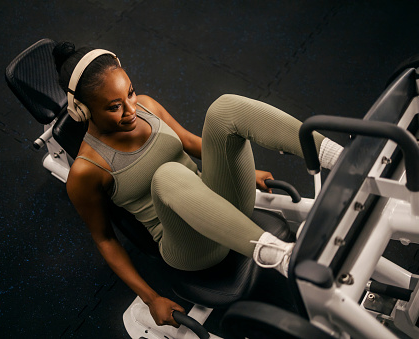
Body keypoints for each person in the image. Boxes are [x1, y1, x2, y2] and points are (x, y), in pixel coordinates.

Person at [53, 41, 342, 329]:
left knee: (225, 107)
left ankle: (341, 158)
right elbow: (105, 240)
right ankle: (280, 256)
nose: (131, 110)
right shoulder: (86, 171)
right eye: (115, 107)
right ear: (83, 111)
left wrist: (242, 169)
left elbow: (191, 143)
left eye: (130, 93)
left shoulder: (147, 107)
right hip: (191, 249)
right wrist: (151, 298)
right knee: (168, 175)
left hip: (223, 205)